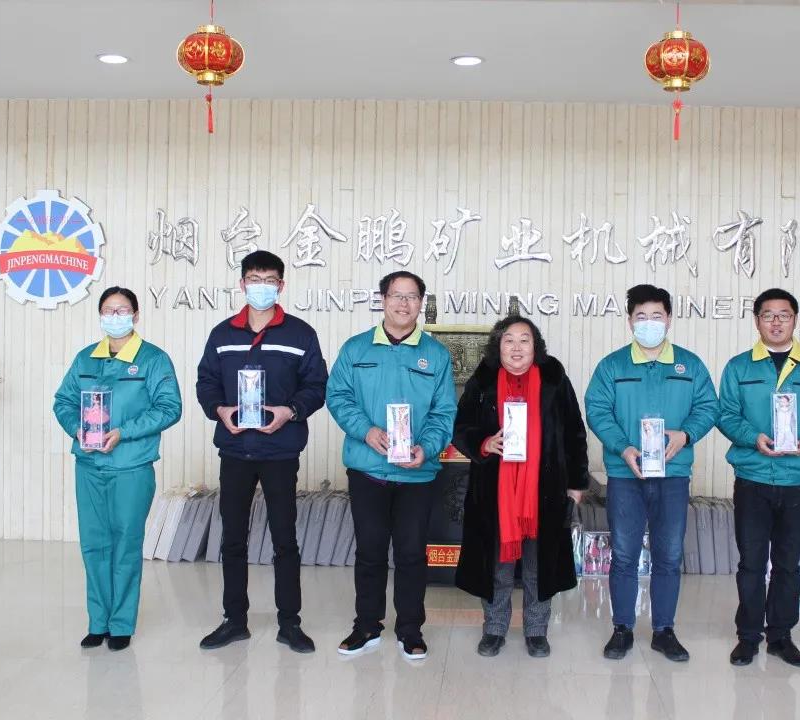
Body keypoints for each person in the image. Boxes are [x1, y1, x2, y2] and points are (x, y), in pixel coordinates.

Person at [196, 251, 328, 653]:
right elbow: (206, 381)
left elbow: (317, 386)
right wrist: (218, 410)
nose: (262, 287)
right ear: (242, 284)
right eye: (255, 279)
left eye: (270, 280)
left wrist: (291, 411)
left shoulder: (300, 334)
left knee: (285, 539)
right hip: (235, 449)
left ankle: (290, 623)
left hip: (280, 451)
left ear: (281, 286)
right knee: (233, 538)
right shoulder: (222, 334)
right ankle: (234, 620)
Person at [326, 271, 456, 660]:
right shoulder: (356, 349)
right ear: (383, 300)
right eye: (397, 295)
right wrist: (365, 431)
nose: (403, 303)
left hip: (418, 474)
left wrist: (426, 449)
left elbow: (444, 412)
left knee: (412, 553)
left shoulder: (436, 355)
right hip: (369, 469)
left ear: (421, 304)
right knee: (369, 550)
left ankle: (410, 630)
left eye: (412, 297)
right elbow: (338, 396)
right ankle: (366, 626)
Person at [584, 284, 718, 662]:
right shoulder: (612, 366)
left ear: (669, 319)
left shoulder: (690, 365)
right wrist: (622, 447)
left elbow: (709, 407)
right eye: (641, 317)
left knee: (669, 553)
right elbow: (597, 410)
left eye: (656, 316)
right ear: (630, 322)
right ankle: (622, 629)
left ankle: (664, 630)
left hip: (673, 474)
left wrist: (686, 434)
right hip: (625, 474)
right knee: (624, 553)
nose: (649, 323)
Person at [718, 288, 800, 668]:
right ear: (756, 321)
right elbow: (725, 415)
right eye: (768, 315)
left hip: (796, 480)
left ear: (795, 319)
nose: (776, 322)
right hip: (753, 478)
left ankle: (781, 637)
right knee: (752, 562)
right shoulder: (739, 367)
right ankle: (748, 637)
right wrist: (752, 438)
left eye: (784, 315)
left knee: (788, 563)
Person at [53, 286, 182, 651]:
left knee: (125, 543)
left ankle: (121, 624)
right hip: (89, 465)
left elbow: (169, 408)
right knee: (94, 544)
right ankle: (98, 622)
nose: (115, 316)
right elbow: (63, 401)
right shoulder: (85, 359)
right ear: (100, 315)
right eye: (108, 310)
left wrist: (123, 432)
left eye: (122, 310)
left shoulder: (153, 359)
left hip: (131, 466)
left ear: (136, 315)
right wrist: (76, 429)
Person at [452, 316, 589, 658]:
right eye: (508, 340)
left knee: (537, 565)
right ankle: (495, 628)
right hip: (494, 490)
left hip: (545, 489)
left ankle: (536, 630)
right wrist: (483, 443)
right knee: (496, 565)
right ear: (498, 346)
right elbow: (461, 425)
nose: (516, 347)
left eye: (524, 340)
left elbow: (574, 431)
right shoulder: (484, 379)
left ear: (535, 346)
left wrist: (576, 483)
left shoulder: (554, 378)